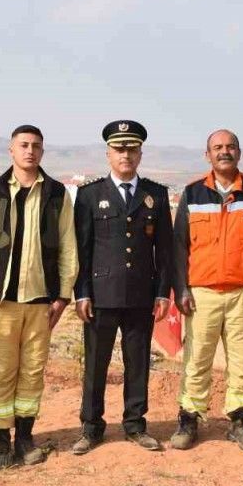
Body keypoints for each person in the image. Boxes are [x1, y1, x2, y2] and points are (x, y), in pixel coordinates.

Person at [0, 125, 77, 467]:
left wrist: (63, 295)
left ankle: (25, 438)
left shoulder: (57, 193)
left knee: (32, 372)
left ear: (42, 151)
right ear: (11, 150)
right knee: (2, 372)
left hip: (41, 303)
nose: (30, 151)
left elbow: (68, 246)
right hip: (1, 304)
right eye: (24, 145)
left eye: (36, 146)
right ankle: (1, 440)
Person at [71, 120, 173, 455]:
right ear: (108, 154)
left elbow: (164, 250)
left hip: (141, 295)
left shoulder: (155, 195)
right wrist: (82, 292)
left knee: (138, 362)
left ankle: (135, 424)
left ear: (140, 154)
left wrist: (162, 292)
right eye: (119, 149)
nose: (125, 155)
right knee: (95, 364)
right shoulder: (90, 195)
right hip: (100, 296)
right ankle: (91, 427)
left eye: (132, 149)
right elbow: (82, 249)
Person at [169, 129, 243, 452]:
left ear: (239, 152)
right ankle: (189, 418)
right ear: (207, 154)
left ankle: (241, 421)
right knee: (197, 360)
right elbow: (179, 246)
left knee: (241, 363)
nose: (224, 152)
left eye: (230, 147)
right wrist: (181, 289)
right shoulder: (193, 193)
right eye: (218, 147)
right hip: (202, 294)